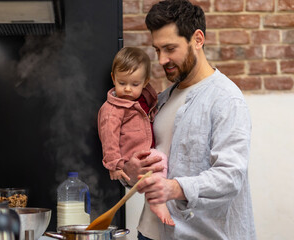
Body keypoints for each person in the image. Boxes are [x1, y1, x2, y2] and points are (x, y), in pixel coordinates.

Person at [122, 0, 257, 239]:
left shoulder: (226, 99)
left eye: (170, 48)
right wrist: (132, 173)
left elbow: (230, 176)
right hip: (148, 233)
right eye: (157, 50)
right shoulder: (161, 99)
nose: (162, 59)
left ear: (197, 39)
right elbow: (152, 167)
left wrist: (174, 187)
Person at [97, 47, 174, 226]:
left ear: (145, 82)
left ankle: (158, 198)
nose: (128, 89)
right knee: (160, 160)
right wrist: (115, 165)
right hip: (132, 156)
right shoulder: (112, 110)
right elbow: (109, 139)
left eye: (135, 84)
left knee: (161, 164)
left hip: (147, 151)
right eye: (122, 83)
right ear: (113, 78)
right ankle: (158, 202)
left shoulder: (145, 99)